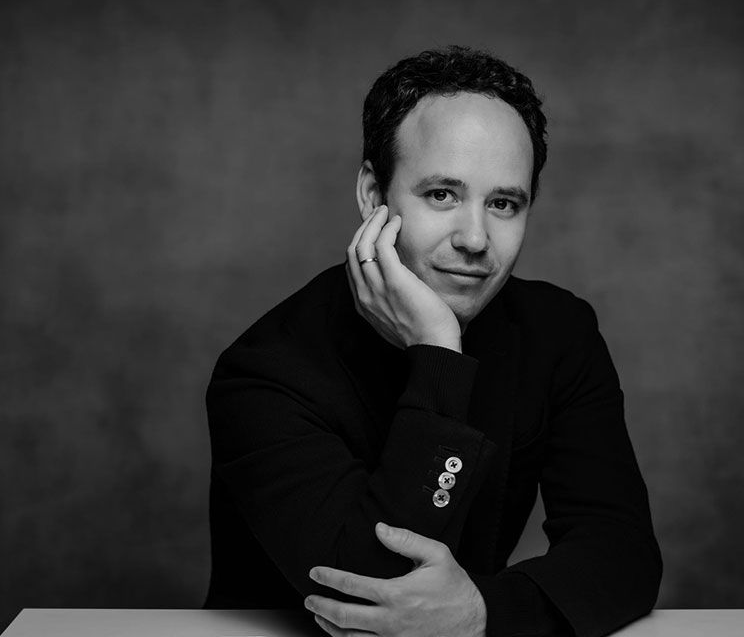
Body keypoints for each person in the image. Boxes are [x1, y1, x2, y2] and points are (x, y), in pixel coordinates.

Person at [205, 46, 662, 637]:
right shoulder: (265, 372)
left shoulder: (559, 332)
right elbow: (374, 601)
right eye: (442, 195)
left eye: (503, 203)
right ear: (374, 195)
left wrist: (484, 617)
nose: (475, 238)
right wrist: (440, 355)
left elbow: (623, 553)